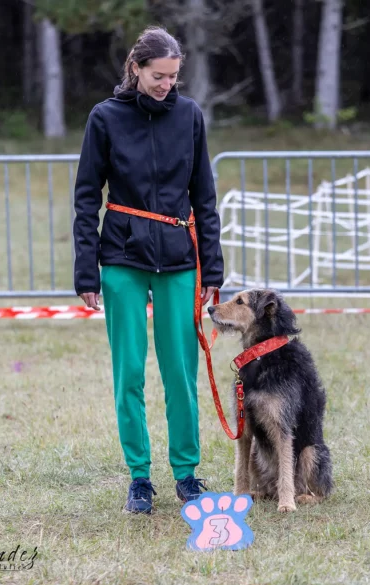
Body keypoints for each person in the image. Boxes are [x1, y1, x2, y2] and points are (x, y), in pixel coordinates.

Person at [72, 26, 224, 515]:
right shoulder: (105, 118)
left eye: (174, 76)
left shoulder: (190, 116)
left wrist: (214, 271)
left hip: (180, 259)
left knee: (180, 373)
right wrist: (86, 271)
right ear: (135, 69)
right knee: (130, 373)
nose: (166, 85)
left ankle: (186, 474)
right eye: (158, 76)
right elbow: (85, 198)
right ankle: (140, 477)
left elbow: (205, 197)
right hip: (122, 258)